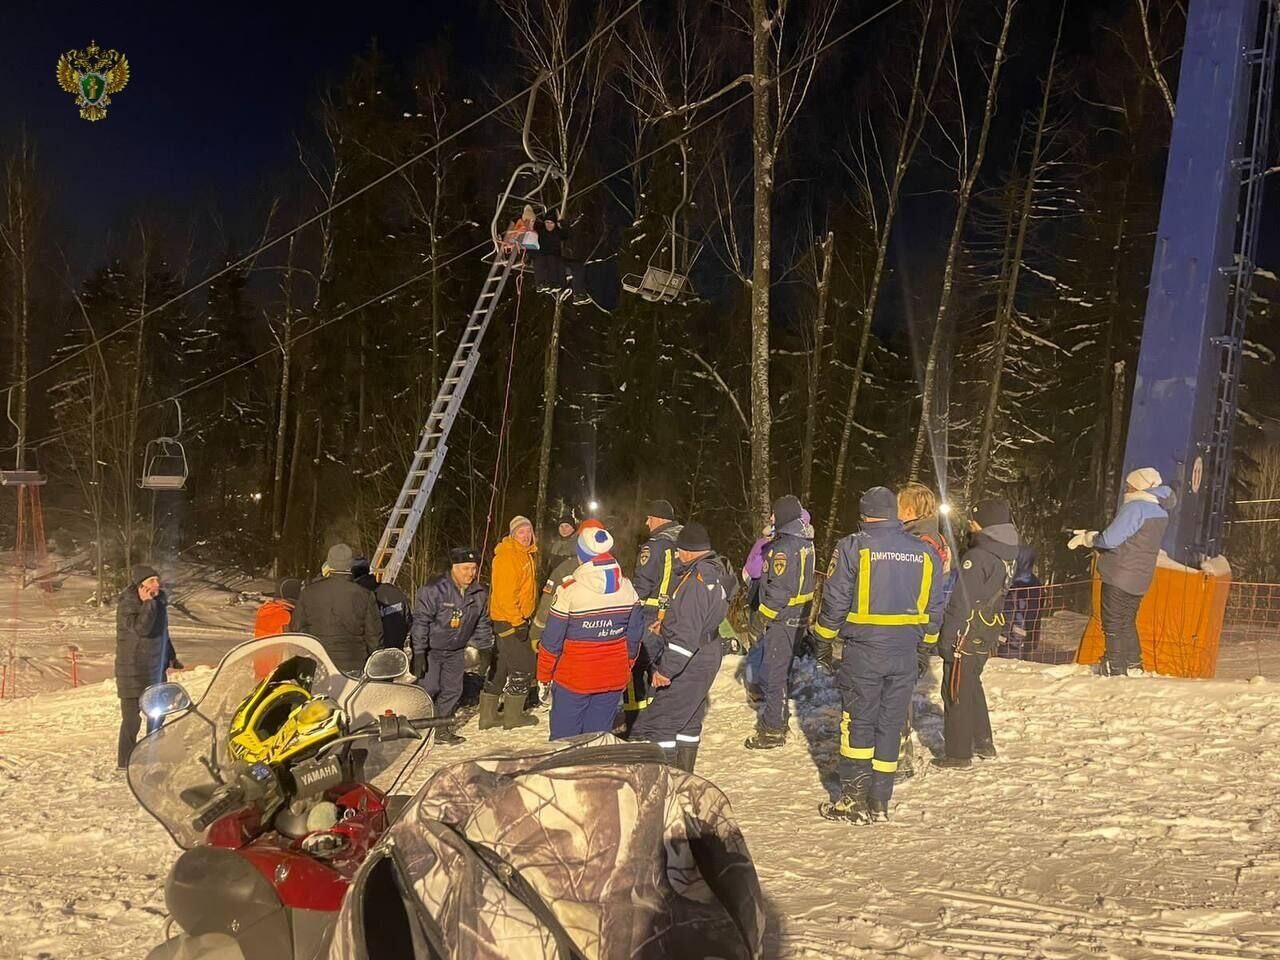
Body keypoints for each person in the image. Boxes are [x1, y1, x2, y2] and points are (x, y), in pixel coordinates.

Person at [814, 487, 944, 824]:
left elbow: (836, 600)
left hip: (864, 652)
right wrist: (925, 647)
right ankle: (880, 800)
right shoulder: (925, 553)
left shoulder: (853, 547)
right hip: (905, 652)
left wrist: (823, 640)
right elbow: (934, 608)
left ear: (864, 514)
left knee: (858, 722)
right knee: (890, 724)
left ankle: (852, 799)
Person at [628, 522, 736, 772]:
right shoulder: (714, 570)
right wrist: (665, 626)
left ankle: (666, 784)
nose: (677, 556)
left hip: (693, 659)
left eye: (679, 551)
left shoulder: (696, 580)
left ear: (688, 550)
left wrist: (666, 670)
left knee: (660, 723)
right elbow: (698, 619)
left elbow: (686, 635)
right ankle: (685, 780)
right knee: (688, 722)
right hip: (707, 650)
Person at [930, 499, 1020, 769]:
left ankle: (958, 753)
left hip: (967, 629)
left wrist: (948, 638)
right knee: (971, 682)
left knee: (955, 687)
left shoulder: (977, 557)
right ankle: (983, 740)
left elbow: (962, 601)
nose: (970, 523)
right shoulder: (1006, 553)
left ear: (986, 524)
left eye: (974, 519)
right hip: (988, 627)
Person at [537, 525, 643, 739]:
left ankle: (564, 772)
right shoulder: (628, 588)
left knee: (564, 740)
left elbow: (551, 640)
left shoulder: (569, 590)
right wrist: (627, 664)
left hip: (574, 678)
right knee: (596, 738)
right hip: (612, 678)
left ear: (582, 554)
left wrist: (544, 676)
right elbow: (634, 637)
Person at [1069, 467, 1176, 677]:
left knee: (1113, 622)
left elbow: (1110, 539)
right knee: (1127, 621)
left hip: (1119, 574)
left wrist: (1089, 538)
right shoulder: (1160, 513)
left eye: (1130, 485)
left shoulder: (1136, 508)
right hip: (1141, 576)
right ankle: (1133, 664)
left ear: (1140, 486)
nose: (1126, 488)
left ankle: (1114, 666)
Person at [744, 495, 815, 750]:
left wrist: (761, 617)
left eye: (774, 514)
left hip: (783, 620)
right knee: (779, 671)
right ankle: (777, 719)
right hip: (798, 618)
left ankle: (773, 729)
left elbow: (779, 592)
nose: (771, 519)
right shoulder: (805, 543)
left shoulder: (782, 549)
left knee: (772, 675)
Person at [895, 482, 954, 782]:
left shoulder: (918, 542)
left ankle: (899, 758)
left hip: (909, 622)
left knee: (896, 691)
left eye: (899, 504)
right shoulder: (938, 539)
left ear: (909, 510)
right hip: (922, 620)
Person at [410, 547, 495, 745]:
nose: (470, 573)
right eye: (465, 569)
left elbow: (482, 623)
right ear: (454, 568)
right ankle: (416, 723)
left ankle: (441, 729)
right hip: (432, 649)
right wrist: (419, 652)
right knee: (429, 687)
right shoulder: (435, 589)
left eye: (473, 569)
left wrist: (485, 650)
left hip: (456, 650)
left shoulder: (479, 593)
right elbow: (421, 621)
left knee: (453, 690)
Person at [115, 565, 181, 769]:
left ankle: (150, 754)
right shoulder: (128, 604)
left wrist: (171, 656)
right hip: (131, 669)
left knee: (157, 714)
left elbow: (162, 633)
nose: (157, 584)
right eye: (152, 580)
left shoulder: (158, 602)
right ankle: (125, 761)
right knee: (131, 720)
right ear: (140, 585)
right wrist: (147, 604)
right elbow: (141, 629)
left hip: (154, 668)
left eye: (157, 579)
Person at [627, 500, 684, 729]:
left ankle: (635, 721)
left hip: (650, 614)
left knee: (635, 664)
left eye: (649, 517)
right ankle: (661, 715)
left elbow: (644, 582)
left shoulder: (656, 545)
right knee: (660, 667)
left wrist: (630, 607)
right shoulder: (683, 544)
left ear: (658, 519)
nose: (646, 522)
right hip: (675, 614)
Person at [288, 543, 384, 674]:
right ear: (350, 565)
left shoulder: (309, 592)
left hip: (318, 664)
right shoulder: (365, 594)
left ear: (329, 564)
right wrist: (377, 667)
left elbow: (297, 628)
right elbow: (374, 636)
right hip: (353, 664)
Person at [484, 515, 540, 729]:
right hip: (510, 621)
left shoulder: (524, 555)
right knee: (524, 666)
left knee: (502, 666)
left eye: (528, 531)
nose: (525, 536)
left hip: (512, 619)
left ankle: (487, 716)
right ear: (512, 534)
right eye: (520, 532)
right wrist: (518, 622)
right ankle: (513, 716)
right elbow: (505, 595)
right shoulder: (509, 556)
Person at [352, 557, 413, 652]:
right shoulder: (394, 591)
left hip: (373, 658)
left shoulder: (359, 599)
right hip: (397, 654)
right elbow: (408, 621)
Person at [1001, 544, 1043, 657]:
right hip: (1026, 637)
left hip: (1010, 640)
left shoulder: (1011, 584)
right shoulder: (1035, 582)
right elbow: (1036, 614)